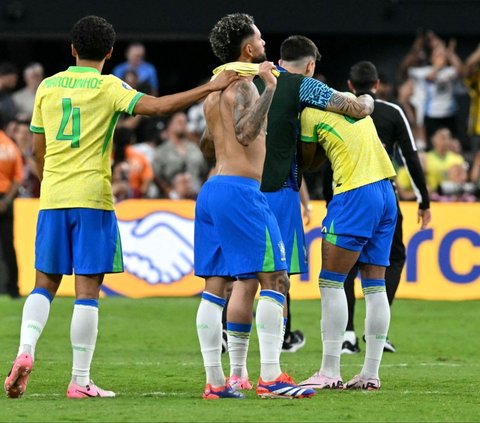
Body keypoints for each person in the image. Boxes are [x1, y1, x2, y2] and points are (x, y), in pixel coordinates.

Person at [3, 14, 238, 400]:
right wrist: (210, 86)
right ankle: (79, 381)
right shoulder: (109, 86)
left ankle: (25, 350)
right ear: (110, 53)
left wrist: (52, 183)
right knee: (87, 291)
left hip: (54, 198)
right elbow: (160, 107)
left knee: (44, 284)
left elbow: (36, 151)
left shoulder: (47, 87)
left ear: (73, 49)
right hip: (93, 198)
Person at [220, 35, 376, 389]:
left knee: (241, 281)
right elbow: (353, 109)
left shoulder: (241, 82)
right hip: (278, 191)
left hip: (236, 189)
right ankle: (272, 372)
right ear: (310, 65)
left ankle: (236, 374)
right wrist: (366, 98)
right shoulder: (301, 84)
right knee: (276, 280)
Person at [194, 13, 316, 400]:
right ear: (249, 49)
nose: (266, 46)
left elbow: (206, 144)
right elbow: (246, 134)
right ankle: (271, 376)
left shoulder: (215, 91)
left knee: (226, 284)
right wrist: (270, 90)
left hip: (214, 187)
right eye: (261, 41)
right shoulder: (245, 85)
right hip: (243, 192)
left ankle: (222, 381)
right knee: (275, 279)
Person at [298, 93, 398, 391]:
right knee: (375, 284)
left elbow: (307, 162)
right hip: (386, 193)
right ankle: (370, 373)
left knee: (331, 281)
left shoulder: (309, 114)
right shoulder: (352, 101)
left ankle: (329, 370)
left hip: (354, 193)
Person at [337, 61, 432, 355]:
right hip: (382, 197)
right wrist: (423, 200)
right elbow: (410, 157)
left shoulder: (337, 110)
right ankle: (375, 333)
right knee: (390, 259)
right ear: (377, 85)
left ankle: (347, 335)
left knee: (344, 267)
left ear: (351, 86)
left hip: (346, 196)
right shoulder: (392, 112)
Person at [0, 111, 23, 299]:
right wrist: (6, 201)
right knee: (9, 245)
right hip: (6, 201)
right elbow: (18, 179)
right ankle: (14, 288)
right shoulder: (10, 145)